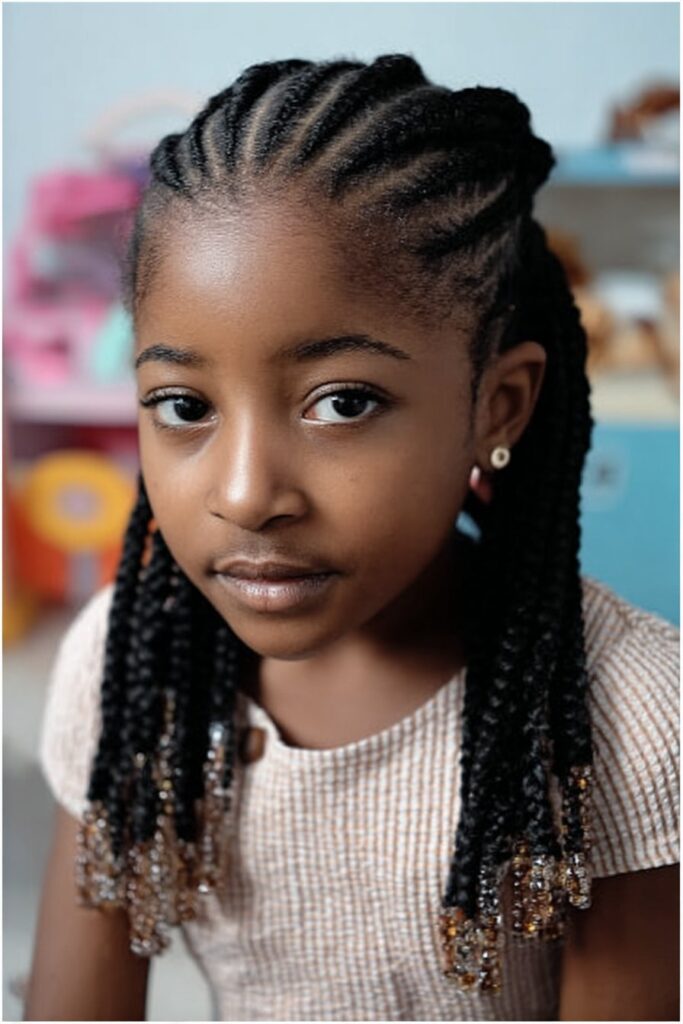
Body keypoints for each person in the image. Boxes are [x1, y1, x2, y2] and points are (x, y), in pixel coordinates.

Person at [25, 54, 679, 1021]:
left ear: (495, 406)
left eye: (342, 401)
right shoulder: (128, 672)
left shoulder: (627, 724)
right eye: (182, 404)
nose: (247, 495)